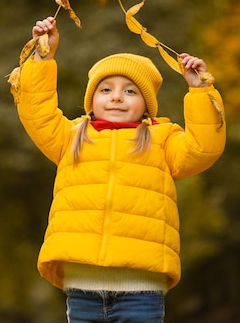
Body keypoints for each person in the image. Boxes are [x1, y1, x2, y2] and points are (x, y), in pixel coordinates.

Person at [15, 16, 226, 323]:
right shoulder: (71, 138)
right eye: (106, 89)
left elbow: (203, 149)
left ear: (146, 104)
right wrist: (42, 57)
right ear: (91, 100)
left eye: (130, 91)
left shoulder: (162, 140)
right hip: (82, 287)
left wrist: (199, 91)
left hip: (142, 288)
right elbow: (37, 113)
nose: (116, 96)